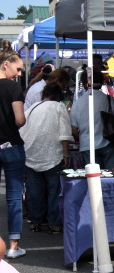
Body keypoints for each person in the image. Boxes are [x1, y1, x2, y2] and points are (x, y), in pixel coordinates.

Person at [21, 82, 71, 234]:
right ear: (59, 95)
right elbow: (64, 132)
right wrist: (66, 154)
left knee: (34, 191)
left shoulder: (33, 107)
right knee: (54, 190)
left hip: (31, 152)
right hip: (52, 153)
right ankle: (54, 223)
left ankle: (35, 221)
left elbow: (22, 128)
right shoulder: (59, 107)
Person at [69, 64, 114, 170]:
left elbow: (74, 130)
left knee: (93, 180)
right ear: (102, 82)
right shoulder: (109, 100)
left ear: (85, 83)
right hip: (109, 144)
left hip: (87, 145)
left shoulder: (77, 104)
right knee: (111, 178)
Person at [0, 52, 27, 259]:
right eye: (18, 69)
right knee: (14, 197)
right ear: (5, 64)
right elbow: (19, 120)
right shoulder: (13, 88)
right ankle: (13, 246)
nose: (20, 73)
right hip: (11, 146)